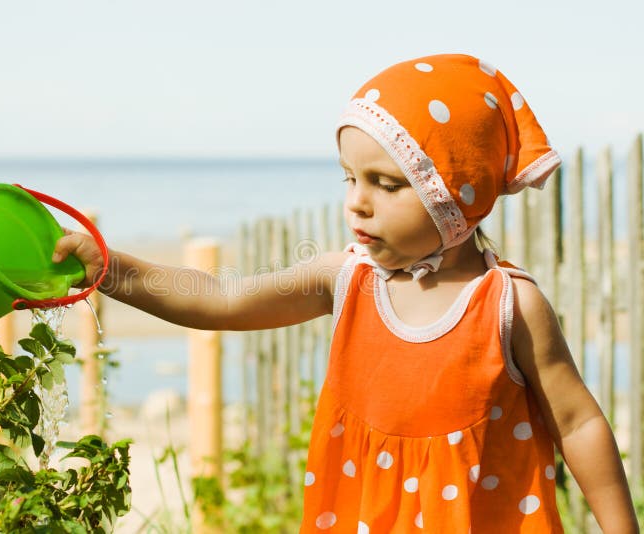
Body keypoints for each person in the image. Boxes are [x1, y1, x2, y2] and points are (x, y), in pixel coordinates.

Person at [52, 54, 638, 532]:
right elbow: (219, 298)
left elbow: (579, 423)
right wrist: (114, 269)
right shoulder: (343, 279)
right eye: (350, 178)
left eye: (386, 184)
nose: (357, 201)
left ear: (458, 197)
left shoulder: (509, 305)